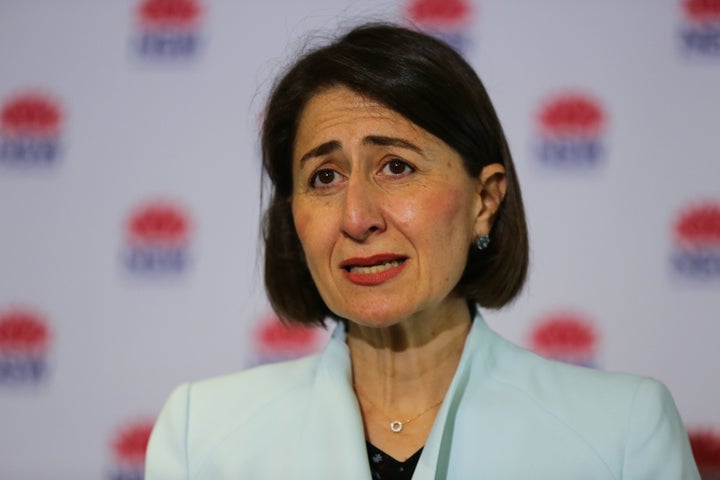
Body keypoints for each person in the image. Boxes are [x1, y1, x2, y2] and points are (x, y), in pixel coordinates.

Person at [145, 23, 700, 479]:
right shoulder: (204, 436)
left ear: (484, 201)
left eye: (396, 167)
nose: (358, 218)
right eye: (325, 176)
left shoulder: (621, 431)